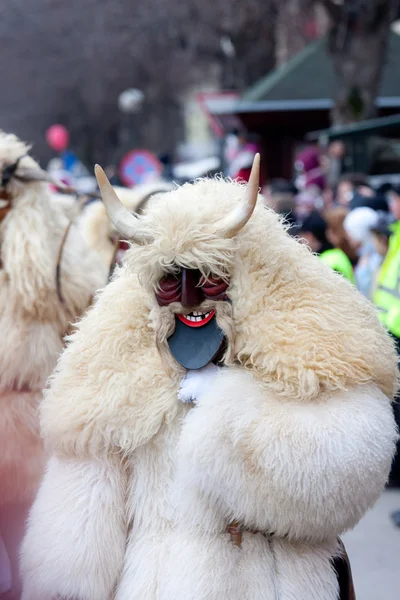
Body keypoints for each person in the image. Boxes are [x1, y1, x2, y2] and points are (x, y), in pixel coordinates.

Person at [21, 156, 398, 600]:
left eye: (208, 277)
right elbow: (80, 514)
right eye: (169, 281)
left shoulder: (306, 351)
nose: (187, 298)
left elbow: (341, 484)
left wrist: (231, 419)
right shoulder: (117, 367)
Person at [297, 211, 355, 283]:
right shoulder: (336, 254)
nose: (300, 243)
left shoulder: (325, 263)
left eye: (301, 237)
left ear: (309, 236)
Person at [343, 207, 382, 298]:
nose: (347, 237)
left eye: (350, 232)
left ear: (359, 232)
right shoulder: (365, 254)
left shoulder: (374, 257)